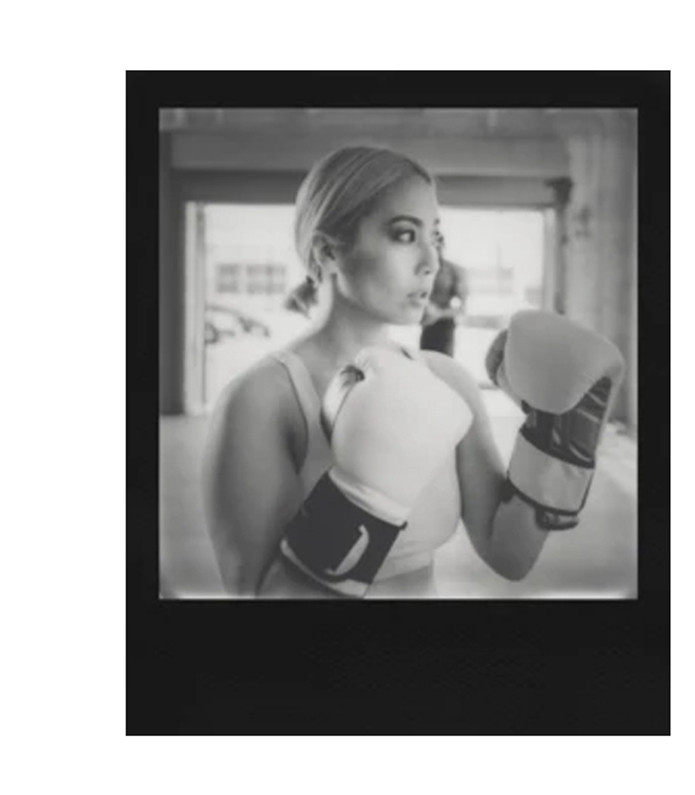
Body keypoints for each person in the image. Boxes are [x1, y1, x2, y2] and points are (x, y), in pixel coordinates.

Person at [202, 145, 625, 599]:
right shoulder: (262, 399)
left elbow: (509, 553)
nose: (432, 262)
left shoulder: (446, 381)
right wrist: (360, 500)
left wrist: (559, 435)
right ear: (328, 252)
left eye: (436, 238)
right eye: (405, 235)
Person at [419, 235, 468, 357]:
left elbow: (462, 309)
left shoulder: (454, 270)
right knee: (425, 362)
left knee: (443, 361)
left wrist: (438, 314)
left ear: (442, 246)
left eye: (437, 246)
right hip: (426, 325)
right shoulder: (421, 270)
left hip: (445, 326)